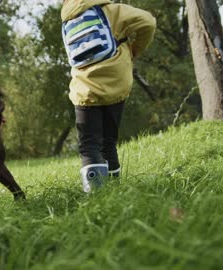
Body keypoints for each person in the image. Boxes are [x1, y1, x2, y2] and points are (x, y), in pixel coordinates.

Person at [61, 0, 156, 192]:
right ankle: (114, 190)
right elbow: (148, 22)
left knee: (89, 146)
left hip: (85, 91)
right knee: (108, 142)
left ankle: (96, 197)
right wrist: (135, 48)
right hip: (115, 86)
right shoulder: (112, 11)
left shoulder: (67, 20)